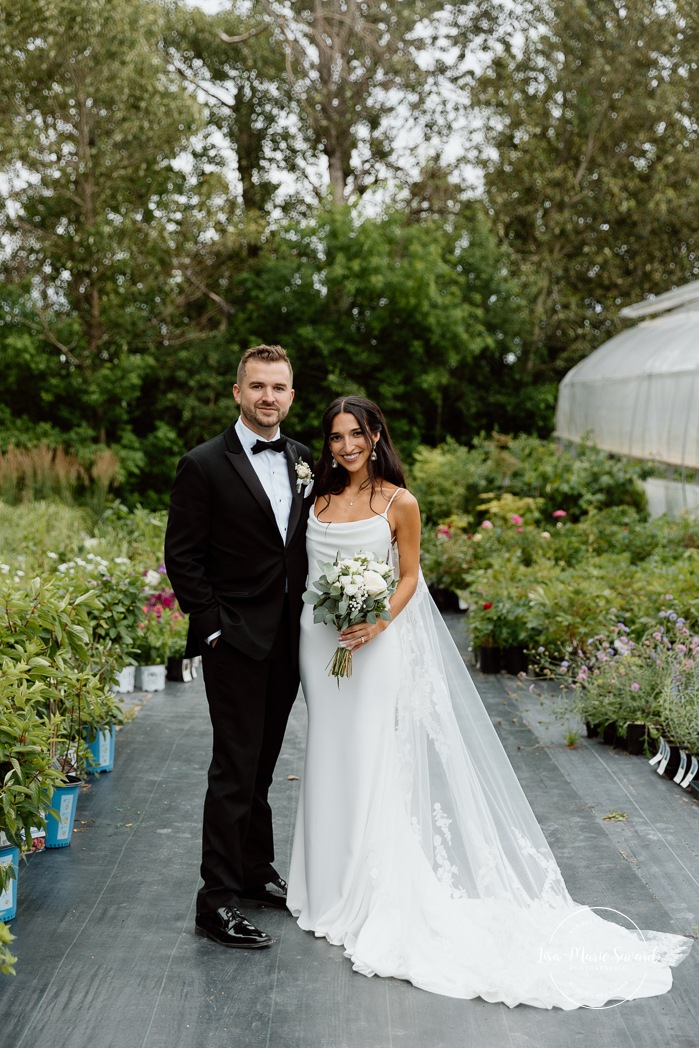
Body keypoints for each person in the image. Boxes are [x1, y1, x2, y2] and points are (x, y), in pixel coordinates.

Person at [287, 395, 692, 1007]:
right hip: (319, 644)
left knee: (370, 758)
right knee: (327, 754)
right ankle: (321, 885)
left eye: (356, 435)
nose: (346, 446)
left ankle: (363, 888)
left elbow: (409, 578)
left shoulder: (400, 502)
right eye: (336, 436)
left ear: (375, 437)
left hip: (374, 646)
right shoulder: (314, 499)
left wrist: (375, 626)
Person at [165, 344, 313, 949]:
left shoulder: (304, 459)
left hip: (290, 639)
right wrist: (214, 627)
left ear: (291, 396)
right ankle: (217, 900)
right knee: (233, 767)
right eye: (257, 387)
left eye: (278, 388)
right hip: (235, 642)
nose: (268, 397)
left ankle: (255, 871)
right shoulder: (203, 465)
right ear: (237, 392)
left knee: (262, 765)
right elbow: (182, 556)